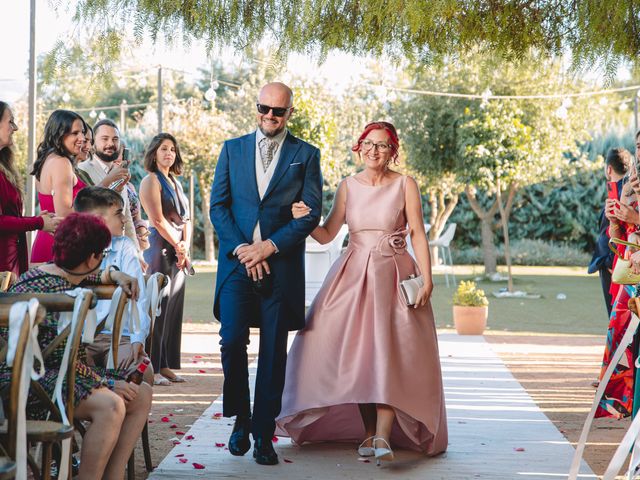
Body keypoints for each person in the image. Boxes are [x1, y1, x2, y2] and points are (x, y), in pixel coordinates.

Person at [276, 121, 448, 462]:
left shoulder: (405, 184)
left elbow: (417, 234)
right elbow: (327, 235)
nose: (374, 150)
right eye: (368, 143)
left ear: (392, 150)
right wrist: (304, 219)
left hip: (394, 274)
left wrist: (427, 279)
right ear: (359, 146)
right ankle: (370, 433)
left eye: (383, 145)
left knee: (389, 353)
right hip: (351, 276)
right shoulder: (348, 187)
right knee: (357, 354)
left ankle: (383, 436)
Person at [209, 82, 323, 465]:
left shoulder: (306, 155)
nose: (270, 116)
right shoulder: (231, 149)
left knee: (274, 351)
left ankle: (263, 433)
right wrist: (245, 250)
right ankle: (242, 416)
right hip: (238, 265)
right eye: (264, 108)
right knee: (231, 341)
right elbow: (218, 207)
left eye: (278, 111)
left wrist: (269, 247)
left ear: (290, 113)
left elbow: (312, 214)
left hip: (281, 265)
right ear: (256, 107)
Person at [2, 212, 152, 479]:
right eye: (102, 255)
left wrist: (113, 274)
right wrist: (106, 383)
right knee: (111, 405)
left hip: (52, 375)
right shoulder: (58, 298)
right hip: (25, 384)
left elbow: (86, 275)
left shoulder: (51, 273)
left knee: (141, 394)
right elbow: (61, 365)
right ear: (92, 257)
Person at [74, 186, 153, 384]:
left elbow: (139, 298)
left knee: (145, 372)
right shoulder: (74, 248)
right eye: (119, 214)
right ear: (99, 220)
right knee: (74, 372)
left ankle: (128, 412)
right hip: (82, 339)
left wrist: (137, 339)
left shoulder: (125, 247)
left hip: (121, 337)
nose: (125, 219)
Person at [139, 133, 192, 386]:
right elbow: (158, 220)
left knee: (174, 308)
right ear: (154, 153)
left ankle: (168, 364)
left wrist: (186, 248)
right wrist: (177, 244)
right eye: (163, 149)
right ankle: (154, 367)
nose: (169, 153)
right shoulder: (150, 181)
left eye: (172, 149)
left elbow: (187, 219)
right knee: (158, 308)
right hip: (159, 247)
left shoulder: (176, 182)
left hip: (178, 251)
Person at [596, 147, 640, 418]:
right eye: (638, 148)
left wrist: (634, 218)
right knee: (623, 335)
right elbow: (617, 236)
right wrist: (615, 217)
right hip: (632, 274)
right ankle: (623, 403)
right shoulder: (631, 186)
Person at [0, 101, 61, 274]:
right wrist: (37, 222)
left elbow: (10, 217)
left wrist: (34, 220)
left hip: (11, 265)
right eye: (10, 122)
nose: (15, 128)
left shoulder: (5, 166)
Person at [30, 109, 87, 263]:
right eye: (75, 133)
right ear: (59, 134)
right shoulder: (61, 163)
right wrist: (96, 210)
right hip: (60, 246)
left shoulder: (46, 159)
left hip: (47, 241)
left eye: (82, 132)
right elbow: (64, 214)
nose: (82, 138)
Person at [76, 119, 139, 250]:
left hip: (120, 251)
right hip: (93, 250)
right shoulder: (81, 170)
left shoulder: (120, 172)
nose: (110, 143)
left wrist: (136, 253)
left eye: (115, 139)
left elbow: (126, 216)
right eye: (105, 139)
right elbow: (84, 210)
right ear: (93, 142)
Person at [588, 148, 629, 317]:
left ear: (609, 169)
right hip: (619, 260)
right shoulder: (622, 190)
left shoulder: (622, 193)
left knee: (617, 317)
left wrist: (611, 261)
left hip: (615, 263)